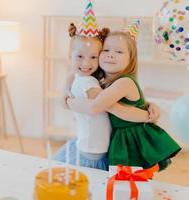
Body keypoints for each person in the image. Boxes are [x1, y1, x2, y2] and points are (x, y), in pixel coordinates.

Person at [66, 21, 181, 171]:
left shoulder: (124, 82)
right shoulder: (102, 80)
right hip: (119, 138)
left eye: (119, 52)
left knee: (129, 180)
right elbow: (73, 75)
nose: (111, 55)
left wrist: (69, 102)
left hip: (132, 141)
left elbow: (97, 106)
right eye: (106, 50)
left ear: (130, 59)